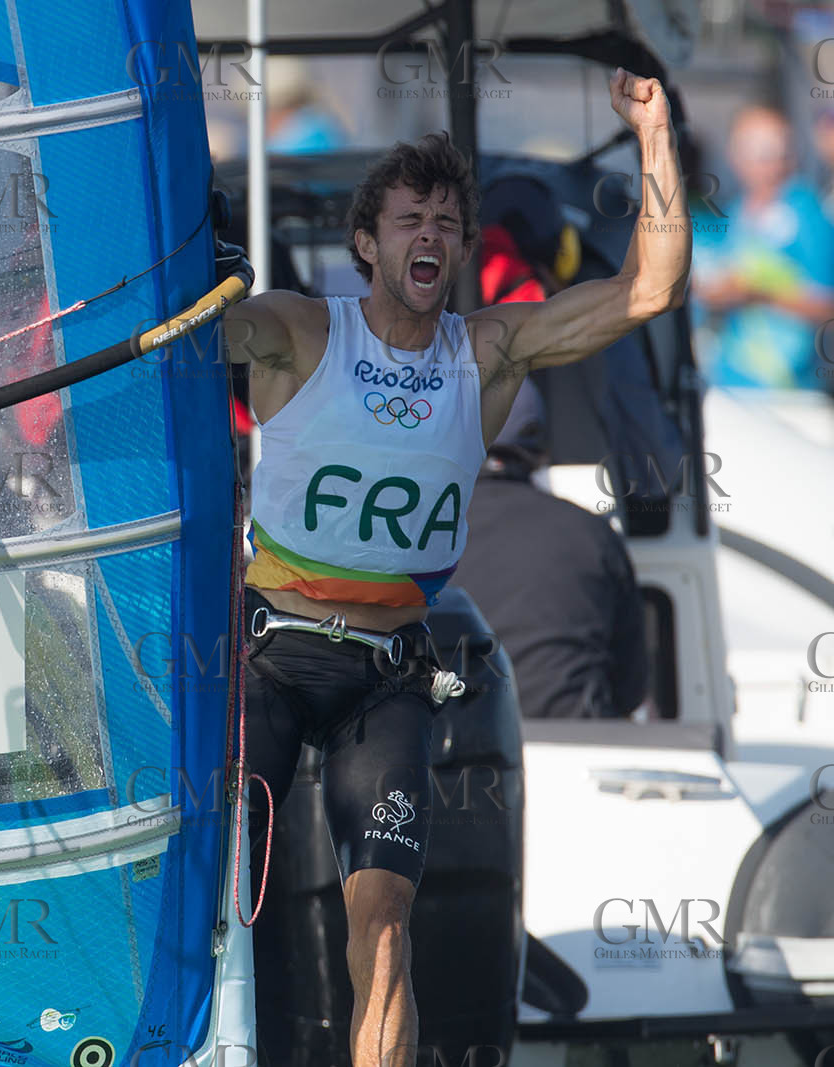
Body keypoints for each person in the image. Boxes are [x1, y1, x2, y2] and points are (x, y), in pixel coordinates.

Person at [220, 68, 689, 1067]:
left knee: (384, 930)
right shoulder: (301, 332)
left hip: (387, 675)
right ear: (367, 243)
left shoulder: (489, 353)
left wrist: (652, 131)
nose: (428, 234)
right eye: (407, 219)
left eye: (446, 222)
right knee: (217, 896)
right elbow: (184, 327)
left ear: (464, 251)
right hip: (273, 660)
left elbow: (650, 289)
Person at [450, 380, 648, 719]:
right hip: (574, 746)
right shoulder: (593, 533)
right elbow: (630, 688)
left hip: (449, 754)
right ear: (540, 448)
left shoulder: (415, 532)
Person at [691, 105, 834, 390]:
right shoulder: (735, 213)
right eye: (762, 155)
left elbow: (826, 303)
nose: (775, 165)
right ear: (736, 158)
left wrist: (757, 292)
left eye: (781, 154)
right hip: (732, 381)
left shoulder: (806, 212)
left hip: (791, 391)